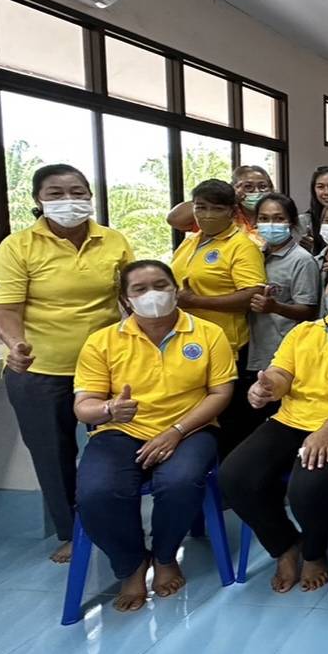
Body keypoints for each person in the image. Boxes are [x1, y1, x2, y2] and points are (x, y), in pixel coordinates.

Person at [0, 163, 135, 562]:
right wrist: (16, 344)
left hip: (107, 368)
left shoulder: (113, 241)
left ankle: (118, 524)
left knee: (117, 448)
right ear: (38, 200)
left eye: (78, 191)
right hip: (41, 372)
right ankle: (72, 532)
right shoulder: (17, 248)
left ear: (90, 195)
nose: (69, 200)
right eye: (56, 193)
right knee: (53, 456)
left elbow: (130, 297)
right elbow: (5, 310)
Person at [72, 260, 235, 612]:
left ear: (176, 290)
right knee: (96, 493)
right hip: (121, 430)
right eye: (140, 289)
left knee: (180, 482)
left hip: (191, 428)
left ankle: (164, 555)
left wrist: (176, 432)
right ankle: (131, 563)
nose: (153, 295)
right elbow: (83, 407)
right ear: (125, 299)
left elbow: (221, 394)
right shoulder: (102, 341)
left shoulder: (208, 333)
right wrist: (109, 409)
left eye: (161, 285)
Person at [219, 261, 328, 593]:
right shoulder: (303, 332)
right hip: (290, 420)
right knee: (234, 476)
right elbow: (281, 374)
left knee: (307, 486)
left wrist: (327, 432)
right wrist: (266, 388)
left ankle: (314, 552)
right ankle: (285, 545)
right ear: (325, 292)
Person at [169, 179, 268, 456]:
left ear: (232, 211)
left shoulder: (241, 246)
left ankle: (228, 474)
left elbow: (251, 295)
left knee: (228, 419)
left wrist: (196, 301)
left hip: (226, 344)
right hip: (186, 340)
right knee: (193, 413)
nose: (208, 215)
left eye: (216, 208)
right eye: (201, 207)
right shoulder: (191, 241)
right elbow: (174, 218)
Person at [246, 194, 320, 425]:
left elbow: (309, 311)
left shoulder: (301, 260)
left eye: (278, 218)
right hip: (252, 351)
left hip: (281, 355)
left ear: (291, 222)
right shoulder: (253, 255)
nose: (271, 224)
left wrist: (275, 307)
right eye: (264, 218)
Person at [168, 164, 273, 247]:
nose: (256, 191)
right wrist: (228, 197)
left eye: (263, 186)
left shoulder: (277, 215)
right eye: (248, 186)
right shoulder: (222, 212)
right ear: (234, 188)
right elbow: (175, 219)